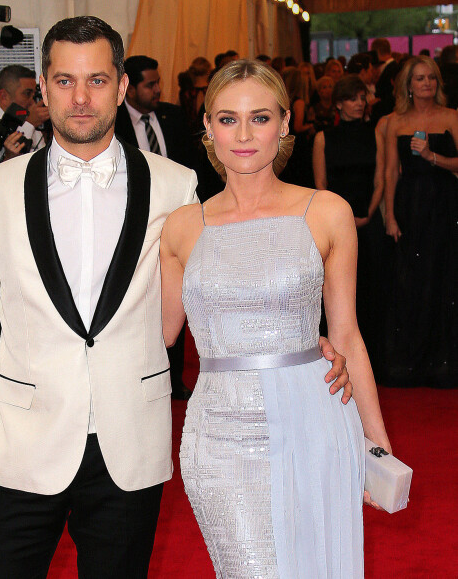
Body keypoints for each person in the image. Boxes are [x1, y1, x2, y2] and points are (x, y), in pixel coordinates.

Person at [0, 17, 351, 579]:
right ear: (43, 85)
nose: (81, 98)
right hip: (19, 447)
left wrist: (302, 346)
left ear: (122, 86)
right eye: (64, 81)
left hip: (130, 444)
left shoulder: (175, 185)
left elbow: (212, 294)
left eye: (97, 80)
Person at [160, 60, 390, 578]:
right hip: (216, 435)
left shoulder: (324, 212)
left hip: (313, 421)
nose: (242, 135)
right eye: (226, 119)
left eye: (259, 118)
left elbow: (347, 335)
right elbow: (159, 333)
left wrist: (374, 444)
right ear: (207, 126)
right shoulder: (180, 226)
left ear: (285, 124)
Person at [115, 54, 198, 399]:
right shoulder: (114, 122)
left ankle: (174, 377)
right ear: (128, 87)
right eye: (149, 84)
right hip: (131, 225)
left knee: (175, 296)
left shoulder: (173, 116)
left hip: (176, 219)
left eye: (157, 82)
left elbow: (192, 165)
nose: (157, 89)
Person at [383, 55, 458, 387]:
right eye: (420, 79)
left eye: (431, 78)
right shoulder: (395, 122)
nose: (426, 84)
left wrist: (432, 157)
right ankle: (411, 362)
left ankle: (443, 363)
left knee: (445, 279)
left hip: (445, 205)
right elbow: (389, 171)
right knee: (412, 282)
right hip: (409, 205)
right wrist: (389, 216)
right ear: (408, 86)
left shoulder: (452, 118)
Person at [313, 74, 388, 374]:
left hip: (368, 221)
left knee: (371, 288)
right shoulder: (323, 138)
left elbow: (380, 179)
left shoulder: (375, 134)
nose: (360, 103)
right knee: (336, 290)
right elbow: (320, 185)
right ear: (339, 104)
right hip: (334, 225)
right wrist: (339, 221)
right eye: (353, 98)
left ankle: (372, 360)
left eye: (362, 98)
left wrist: (368, 213)